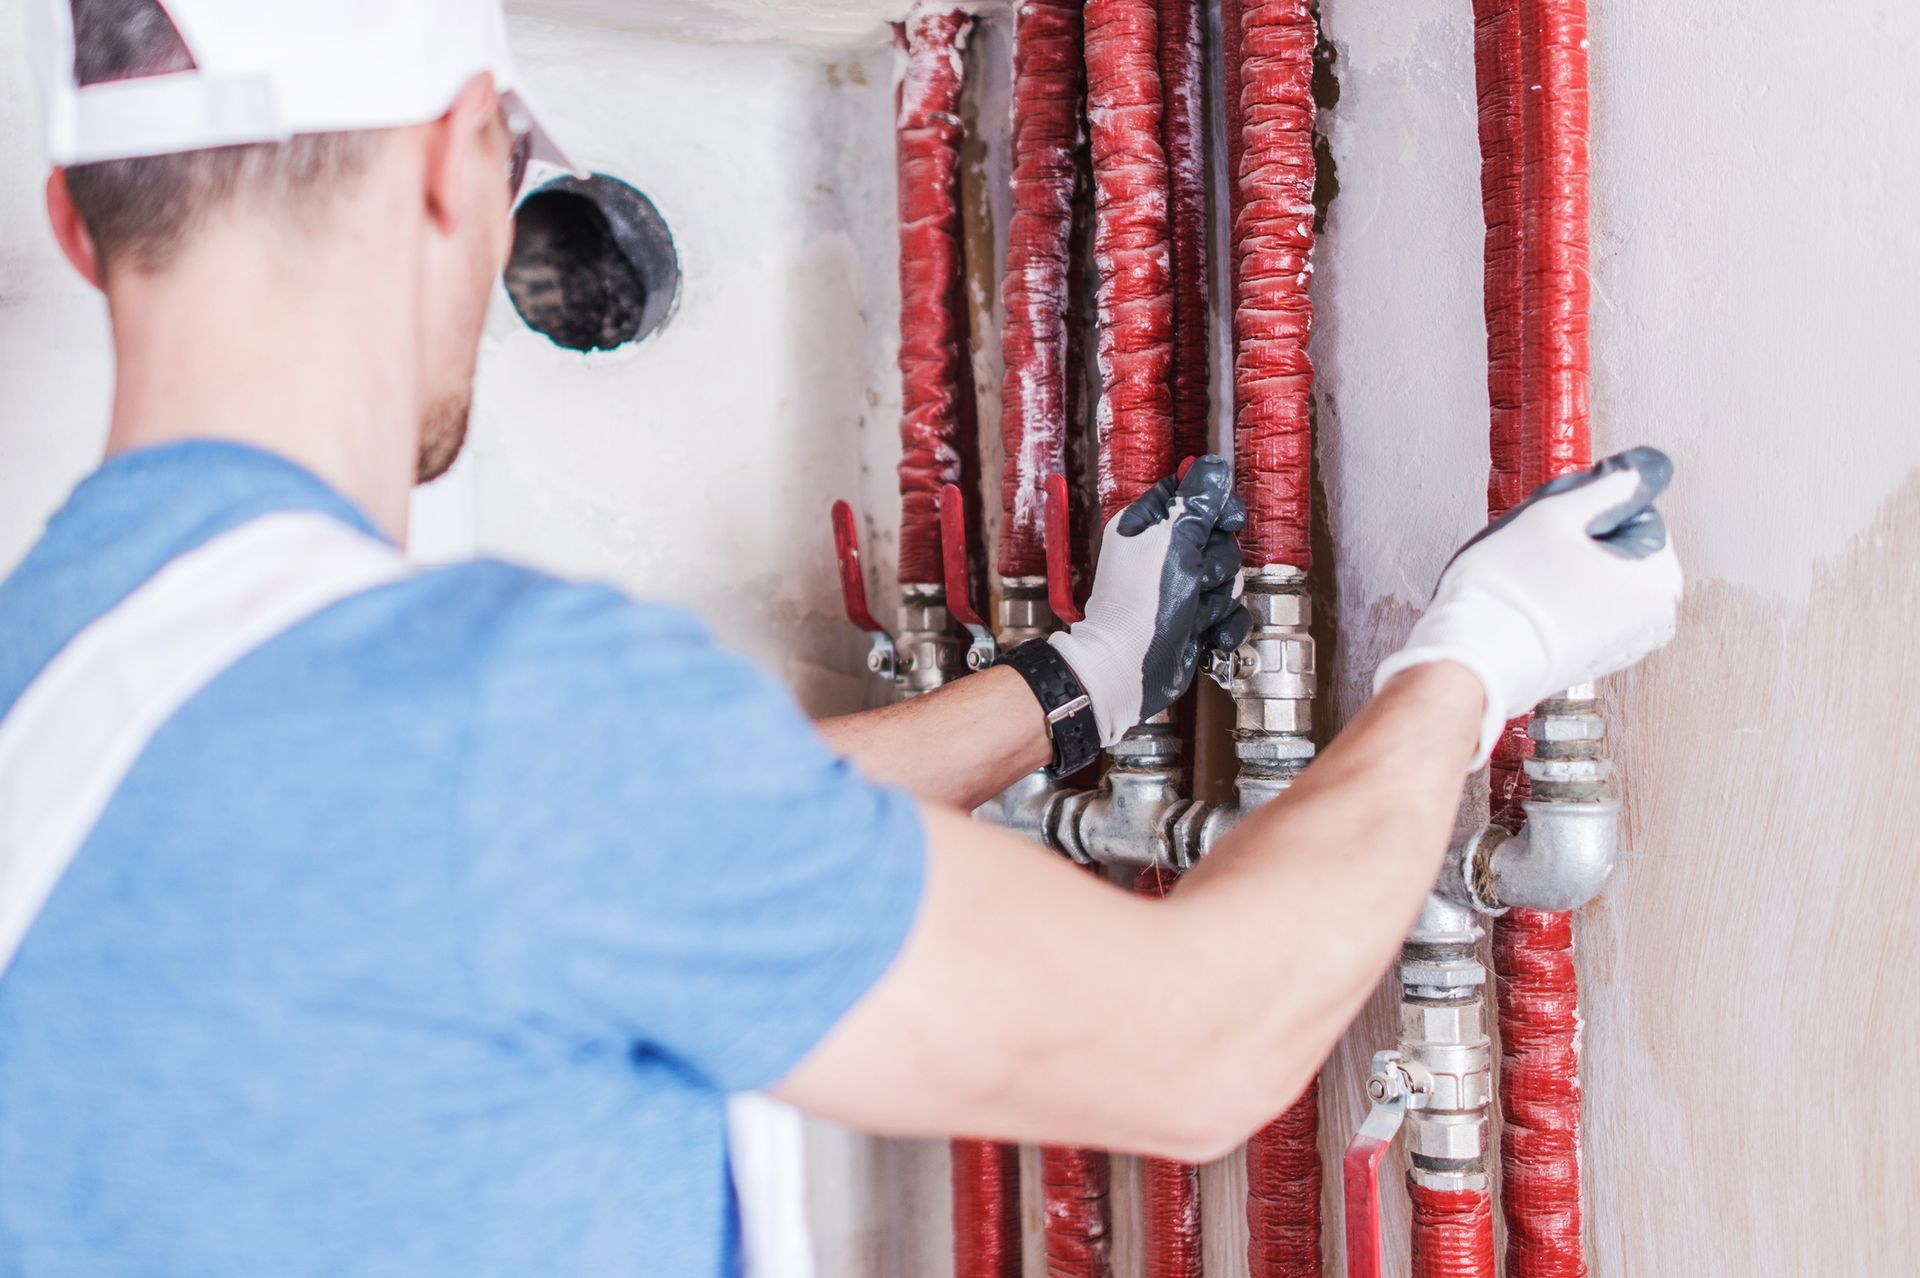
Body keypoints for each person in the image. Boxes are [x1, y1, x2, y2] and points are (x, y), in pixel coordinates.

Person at [0, 1, 1683, 1275]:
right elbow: (1197, 1041)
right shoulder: (505, 721)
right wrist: (1482, 651)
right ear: (460, 168)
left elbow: (687, 821)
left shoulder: (63, 702)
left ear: (80, 226)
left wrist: (1070, 689)